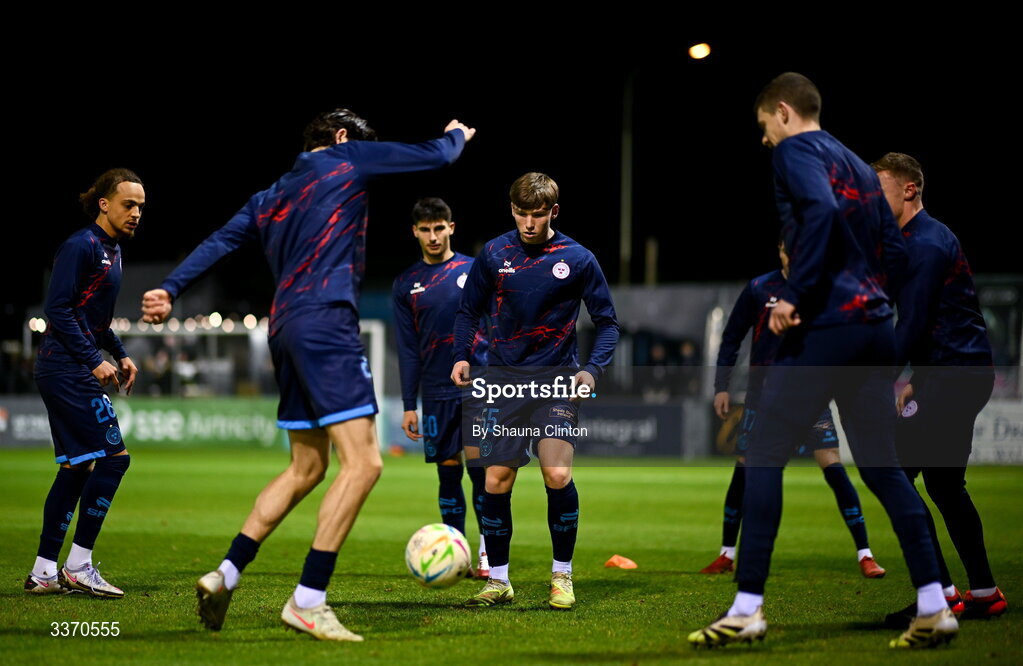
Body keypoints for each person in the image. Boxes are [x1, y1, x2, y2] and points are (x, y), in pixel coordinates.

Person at [141, 110, 474, 641]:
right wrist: (457, 133)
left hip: (284, 326)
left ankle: (224, 574)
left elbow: (221, 240)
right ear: (342, 140)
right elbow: (440, 155)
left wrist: (171, 288)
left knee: (306, 467)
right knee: (364, 464)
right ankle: (308, 599)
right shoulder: (346, 160)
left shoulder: (271, 194)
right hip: (325, 324)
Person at [688, 73, 954, 649]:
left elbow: (821, 215)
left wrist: (797, 293)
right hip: (872, 331)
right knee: (883, 470)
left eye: (763, 126)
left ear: (783, 112)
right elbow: (896, 251)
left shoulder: (797, 152)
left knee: (761, 458)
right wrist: (873, 301)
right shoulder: (858, 164)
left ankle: (747, 609)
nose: (764, 139)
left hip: (829, 330)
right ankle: (935, 606)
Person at [451, 172, 620, 610]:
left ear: (554, 212)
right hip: (503, 382)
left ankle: (561, 575)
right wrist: (461, 355)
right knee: (496, 480)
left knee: (557, 475)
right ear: (512, 210)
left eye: (538, 214)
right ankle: (499, 581)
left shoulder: (578, 259)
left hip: (557, 380)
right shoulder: (493, 253)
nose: (529, 222)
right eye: (522, 213)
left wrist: (593, 370)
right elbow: (468, 312)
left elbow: (607, 323)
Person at [871, 152, 1005, 627]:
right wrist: (915, 381)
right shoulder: (915, 239)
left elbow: (914, 321)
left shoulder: (925, 243)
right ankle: (984, 593)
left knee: (896, 477)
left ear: (909, 190)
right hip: (952, 374)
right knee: (945, 486)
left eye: (879, 186)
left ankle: (940, 596)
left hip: (954, 376)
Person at [703, 241, 885, 579]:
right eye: (791, 249)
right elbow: (731, 337)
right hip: (763, 398)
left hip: (811, 394)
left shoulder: (824, 286)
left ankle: (866, 554)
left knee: (832, 464)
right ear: (781, 251)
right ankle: (727, 554)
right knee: (745, 469)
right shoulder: (760, 288)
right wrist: (721, 387)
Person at [25, 169, 143, 599]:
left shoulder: (111, 250)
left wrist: (120, 352)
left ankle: (43, 572)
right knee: (115, 459)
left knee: (78, 467)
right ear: (104, 204)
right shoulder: (82, 246)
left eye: (141, 207)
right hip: (66, 368)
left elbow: (92, 319)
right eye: (128, 204)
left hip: (69, 365)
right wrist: (95, 361)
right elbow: (58, 309)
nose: (136, 213)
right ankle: (78, 565)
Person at [392, 197, 489, 577]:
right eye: (425, 229)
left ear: (452, 227)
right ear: (415, 232)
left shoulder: (474, 270)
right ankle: (457, 551)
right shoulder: (405, 284)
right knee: (448, 473)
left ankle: (486, 554)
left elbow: (496, 324)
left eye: (439, 227)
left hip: (478, 386)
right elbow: (407, 349)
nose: (433, 236)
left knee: (482, 471)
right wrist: (408, 404)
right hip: (435, 393)